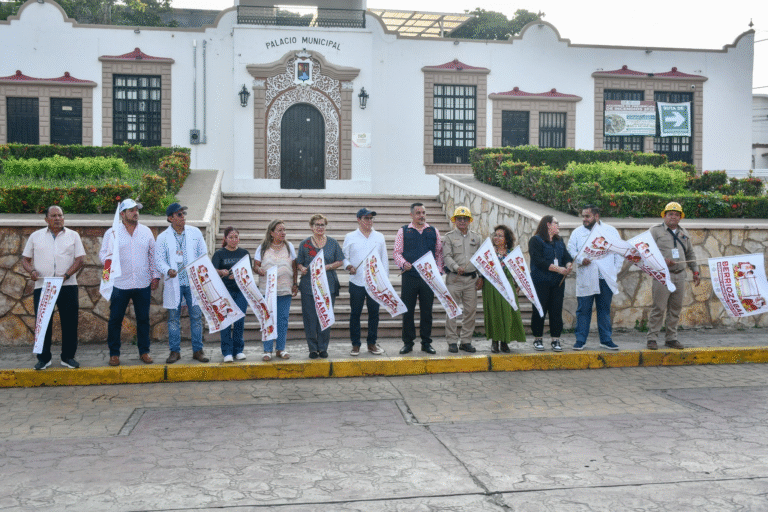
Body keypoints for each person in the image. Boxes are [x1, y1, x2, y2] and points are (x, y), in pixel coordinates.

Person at [21, 205, 85, 370]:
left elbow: (79, 260)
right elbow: (25, 260)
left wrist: (66, 276)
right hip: (44, 285)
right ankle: (44, 358)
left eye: (60, 215)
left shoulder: (73, 235)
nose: (57, 218)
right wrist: (32, 271)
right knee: (43, 323)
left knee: (70, 322)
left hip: (68, 285)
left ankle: (68, 357)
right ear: (46, 219)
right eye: (54, 215)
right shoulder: (36, 236)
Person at [98, 199, 161, 366]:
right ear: (122, 214)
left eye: (136, 210)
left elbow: (152, 255)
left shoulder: (146, 231)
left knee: (143, 319)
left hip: (142, 283)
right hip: (120, 283)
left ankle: (144, 351)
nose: (135, 213)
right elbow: (103, 255)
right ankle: (114, 354)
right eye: (131, 210)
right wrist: (107, 278)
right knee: (115, 319)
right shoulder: (112, 232)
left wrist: (155, 276)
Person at [156, 202, 210, 364]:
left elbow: (203, 254)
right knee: (173, 318)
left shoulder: (194, 233)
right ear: (170, 218)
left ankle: (198, 350)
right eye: (179, 214)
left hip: (193, 281)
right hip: (175, 282)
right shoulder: (163, 237)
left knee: (195, 316)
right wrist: (167, 270)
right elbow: (158, 260)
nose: (183, 217)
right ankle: (175, 351)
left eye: (183, 214)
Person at [567, 205, 623, 351]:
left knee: (604, 309)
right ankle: (580, 340)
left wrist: (613, 271)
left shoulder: (610, 231)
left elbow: (619, 252)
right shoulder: (577, 233)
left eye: (587, 216)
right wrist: (580, 260)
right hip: (587, 276)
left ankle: (606, 339)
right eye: (583, 216)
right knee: (583, 309)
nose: (584, 219)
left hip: (605, 277)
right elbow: (571, 250)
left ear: (596, 216)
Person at [647, 202, 700, 350]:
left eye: (677, 215)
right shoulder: (655, 231)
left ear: (680, 217)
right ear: (664, 215)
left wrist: (695, 271)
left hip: (680, 275)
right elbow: (646, 252)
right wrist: (662, 261)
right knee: (658, 308)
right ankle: (652, 338)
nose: (673, 217)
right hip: (662, 275)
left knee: (675, 309)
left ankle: (671, 338)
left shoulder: (684, 233)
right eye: (670, 214)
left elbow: (690, 253)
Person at [393, 202, 444, 355]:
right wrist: (403, 263)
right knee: (407, 311)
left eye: (423, 213)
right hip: (410, 277)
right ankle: (408, 343)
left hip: (429, 278)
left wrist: (439, 272)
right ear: (411, 215)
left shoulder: (433, 231)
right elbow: (396, 253)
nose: (421, 216)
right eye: (418, 213)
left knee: (427, 311)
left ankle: (426, 343)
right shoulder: (403, 231)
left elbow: (439, 254)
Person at [296, 214, 344, 359]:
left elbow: (340, 261)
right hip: (308, 286)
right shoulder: (304, 244)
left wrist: (328, 266)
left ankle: (323, 347)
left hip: (328, 285)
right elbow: (299, 263)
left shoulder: (333, 243)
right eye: (317, 225)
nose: (320, 227)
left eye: (322, 225)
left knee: (325, 315)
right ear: (311, 227)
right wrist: (302, 268)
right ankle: (312, 348)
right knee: (310, 317)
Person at [342, 208, 388, 356]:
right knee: (355, 313)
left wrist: (384, 281)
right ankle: (355, 344)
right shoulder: (350, 237)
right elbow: (344, 257)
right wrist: (349, 266)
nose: (369, 221)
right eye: (366, 218)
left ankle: (372, 343)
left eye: (371, 218)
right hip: (357, 281)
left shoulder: (379, 237)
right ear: (358, 219)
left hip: (374, 282)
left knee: (374, 313)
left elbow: (384, 259)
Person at [254, 219, 299, 361]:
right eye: (279, 230)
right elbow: (255, 265)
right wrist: (259, 270)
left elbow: (294, 266)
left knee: (283, 320)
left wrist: (295, 283)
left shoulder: (289, 246)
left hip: (285, 289)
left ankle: (281, 349)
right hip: (267, 290)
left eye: (284, 230)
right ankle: (267, 350)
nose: (283, 233)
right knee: (267, 318)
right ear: (272, 232)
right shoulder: (262, 247)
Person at [529, 215, 572, 352]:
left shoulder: (559, 241)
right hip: (540, 282)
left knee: (556, 311)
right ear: (548, 224)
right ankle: (538, 339)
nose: (558, 225)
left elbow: (566, 256)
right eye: (556, 223)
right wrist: (559, 269)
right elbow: (538, 261)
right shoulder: (535, 240)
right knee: (539, 311)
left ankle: (556, 340)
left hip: (557, 283)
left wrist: (569, 265)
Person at [442, 206, 482, 353]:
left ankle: (466, 341)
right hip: (454, 279)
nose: (462, 221)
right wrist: (454, 266)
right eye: (459, 219)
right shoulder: (449, 237)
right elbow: (446, 256)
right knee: (452, 310)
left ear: (469, 220)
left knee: (470, 311)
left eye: (465, 219)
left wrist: (481, 276)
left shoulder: (476, 237)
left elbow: (480, 258)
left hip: (471, 279)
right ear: (455, 221)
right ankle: (452, 341)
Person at [483, 225, 526, 353]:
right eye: (495, 235)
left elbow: (519, 272)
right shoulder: (488, 252)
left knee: (508, 313)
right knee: (494, 313)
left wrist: (518, 285)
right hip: (492, 287)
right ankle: (495, 342)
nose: (497, 238)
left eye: (500, 235)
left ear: (506, 238)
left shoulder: (512, 253)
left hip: (508, 287)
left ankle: (505, 342)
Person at [211, 226, 250, 362]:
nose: (234, 240)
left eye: (236, 237)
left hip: (241, 292)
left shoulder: (244, 253)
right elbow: (212, 271)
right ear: (225, 239)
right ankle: (227, 352)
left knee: (239, 320)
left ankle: (238, 350)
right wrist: (221, 272)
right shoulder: (219, 254)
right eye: (231, 237)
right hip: (224, 292)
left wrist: (239, 276)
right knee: (226, 322)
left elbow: (248, 272)